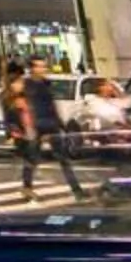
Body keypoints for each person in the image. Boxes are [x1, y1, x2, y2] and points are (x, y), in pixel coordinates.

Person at [17, 63, 80, 200]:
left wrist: (60, 124)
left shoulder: (46, 83)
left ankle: (76, 189)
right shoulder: (27, 85)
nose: (43, 69)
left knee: (63, 159)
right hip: (37, 126)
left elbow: (51, 106)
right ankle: (27, 187)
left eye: (44, 66)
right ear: (32, 68)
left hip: (51, 125)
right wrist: (29, 126)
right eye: (39, 66)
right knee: (32, 158)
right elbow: (25, 107)